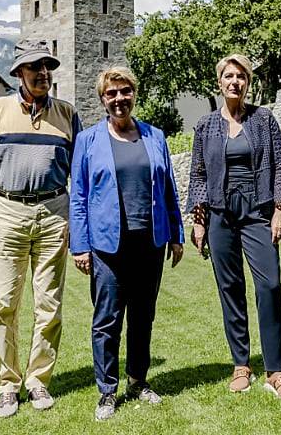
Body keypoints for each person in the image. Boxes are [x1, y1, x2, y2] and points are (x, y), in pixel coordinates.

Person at [0, 41, 82, 418]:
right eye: (35, 67)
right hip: (7, 210)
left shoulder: (67, 113)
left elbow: (79, 176)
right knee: (5, 303)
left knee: (49, 305)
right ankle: (7, 384)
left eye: (47, 67)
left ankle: (37, 381)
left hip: (53, 212)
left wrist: (77, 223)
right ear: (19, 72)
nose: (43, 73)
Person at [69, 67, 185, 420]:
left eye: (125, 92)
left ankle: (138, 380)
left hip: (149, 242)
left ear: (134, 93)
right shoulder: (88, 141)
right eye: (111, 93)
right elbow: (78, 196)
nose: (119, 99)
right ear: (103, 99)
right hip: (107, 246)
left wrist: (177, 235)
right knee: (107, 319)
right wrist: (80, 245)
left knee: (143, 316)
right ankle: (107, 390)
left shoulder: (155, 136)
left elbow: (168, 190)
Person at [186, 54, 281, 398]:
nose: (235, 82)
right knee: (230, 288)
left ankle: (275, 370)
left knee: (270, 285)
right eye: (229, 76)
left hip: (257, 210)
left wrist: (280, 209)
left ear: (248, 83)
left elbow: (278, 164)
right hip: (220, 213)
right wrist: (199, 221)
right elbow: (198, 174)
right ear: (219, 82)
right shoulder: (205, 126)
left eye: (241, 77)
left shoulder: (264, 120)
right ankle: (241, 365)